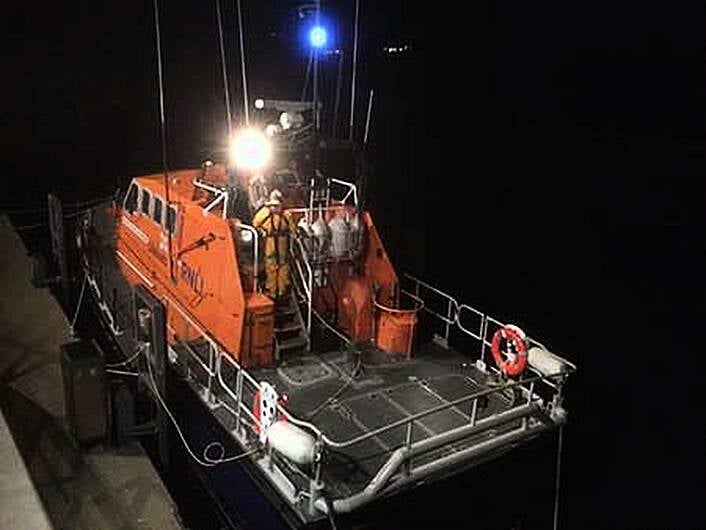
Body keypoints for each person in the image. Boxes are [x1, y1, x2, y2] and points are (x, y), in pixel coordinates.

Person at [252, 189, 295, 299]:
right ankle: (281, 290)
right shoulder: (287, 214)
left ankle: (272, 291)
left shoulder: (264, 212)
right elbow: (293, 229)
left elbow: (255, 223)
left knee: (271, 266)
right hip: (282, 243)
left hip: (270, 243)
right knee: (283, 265)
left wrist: (262, 231)